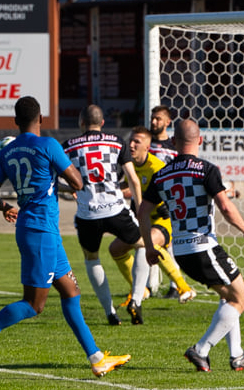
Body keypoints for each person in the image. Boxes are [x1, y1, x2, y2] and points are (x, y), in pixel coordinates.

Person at [0, 96, 130, 378]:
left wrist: (5, 207)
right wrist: (58, 175)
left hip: (34, 227)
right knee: (34, 305)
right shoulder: (49, 145)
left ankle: (96, 358)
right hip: (42, 232)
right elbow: (77, 182)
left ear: (15, 122)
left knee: (71, 292)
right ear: (40, 119)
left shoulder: (7, 151)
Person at [138, 119, 244, 372]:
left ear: (174, 142)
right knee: (241, 299)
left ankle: (237, 355)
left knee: (227, 296)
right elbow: (225, 207)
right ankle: (201, 349)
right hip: (203, 246)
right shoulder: (206, 169)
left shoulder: (162, 174)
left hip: (181, 252)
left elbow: (142, 212)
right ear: (201, 140)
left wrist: (150, 247)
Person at [62, 105, 149, 325]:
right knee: (143, 245)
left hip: (88, 214)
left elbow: (59, 182)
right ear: (102, 123)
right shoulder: (118, 142)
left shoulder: (68, 147)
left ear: (81, 122)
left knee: (92, 259)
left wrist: (75, 189)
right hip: (115, 209)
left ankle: (110, 311)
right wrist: (140, 210)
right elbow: (133, 179)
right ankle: (136, 299)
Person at [110, 127, 196, 305]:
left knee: (145, 242)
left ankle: (182, 287)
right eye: (131, 141)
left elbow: (175, 193)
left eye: (137, 142)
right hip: (141, 220)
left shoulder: (157, 168)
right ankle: (141, 289)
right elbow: (127, 186)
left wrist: (167, 204)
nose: (131, 145)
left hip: (163, 220)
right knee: (115, 249)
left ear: (147, 147)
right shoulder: (129, 165)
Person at [148, 104, 182, 299]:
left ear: (168, 122)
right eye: (153, 118)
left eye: (158, 118)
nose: (154, 122)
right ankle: (147, 285)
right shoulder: (145, 144)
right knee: (144, 242)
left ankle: (174, 285)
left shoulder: (173, 147)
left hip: (168, 202)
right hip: (147, 201)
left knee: (171, 245)